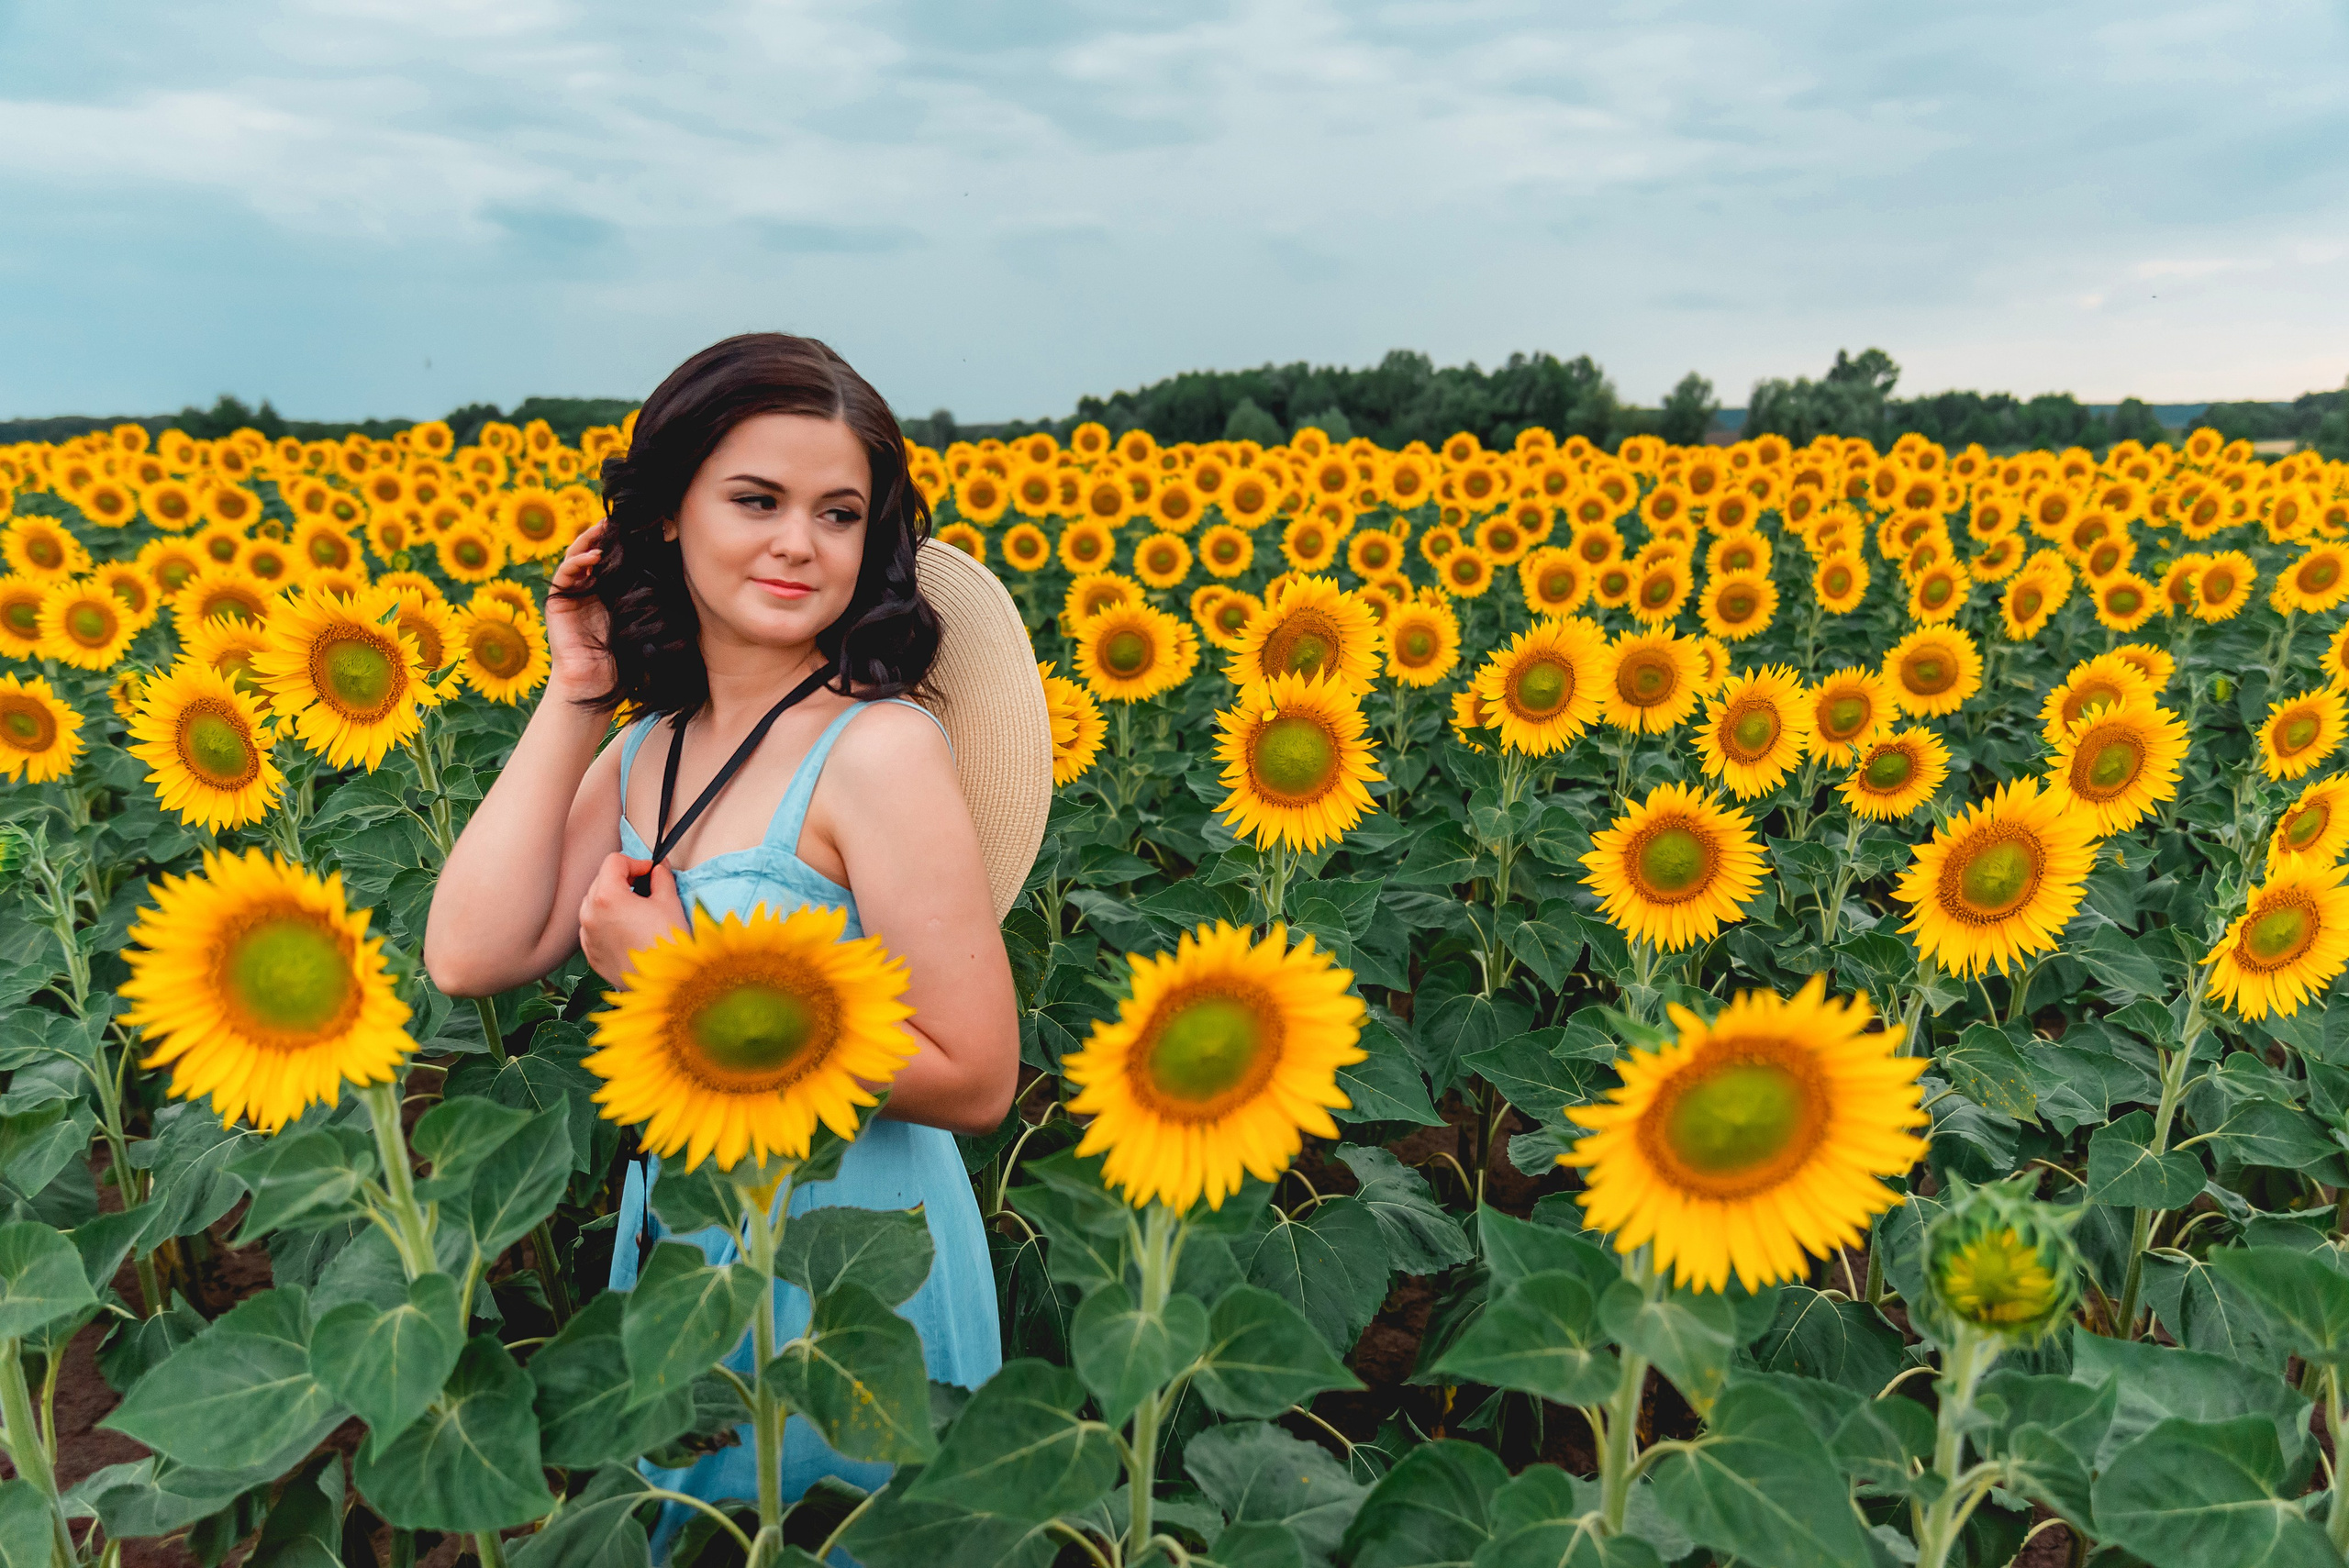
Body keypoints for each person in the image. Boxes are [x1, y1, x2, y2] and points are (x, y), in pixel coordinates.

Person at [425, 332, 1045, 1556]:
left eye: (839, 511)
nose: (798, 542)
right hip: (697, 1247)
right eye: (755, 499)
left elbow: (976, 1072)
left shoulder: (876, 752)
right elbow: (470, 950)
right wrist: (576, 689)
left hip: (858, 1270)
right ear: (663, 518)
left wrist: (682, 979)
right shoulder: (649, 750)